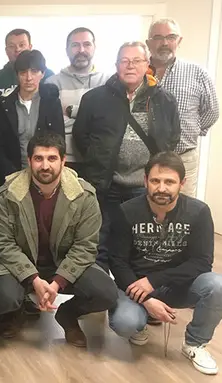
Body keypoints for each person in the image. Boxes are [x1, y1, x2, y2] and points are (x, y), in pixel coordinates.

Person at [0, 132, 118, 347]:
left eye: (52, 158)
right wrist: (34, 279)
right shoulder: (6, 194)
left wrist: (57, 282)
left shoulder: (85, 196)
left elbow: (85, 247)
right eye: (38, 159)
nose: (45, 166)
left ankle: (67, 315)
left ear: (63, 161)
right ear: (29, 161)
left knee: (106, 293)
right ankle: (15, 313)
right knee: (3, 297)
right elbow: (3, 244)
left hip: (63, 265)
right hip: (22, 266)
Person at [108, 152, 222, 375]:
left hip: (177, 286)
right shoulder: (126, 211)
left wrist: (154, 281)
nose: (161, 188)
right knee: (125, 322)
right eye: (155, 181)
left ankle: (194, 344)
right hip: (135, 285)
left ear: (182, 183)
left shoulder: (199, 212)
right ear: (145, 182)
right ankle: (140, 320)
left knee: (218, 285)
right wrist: (147, 298)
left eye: (169, 182)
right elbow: (118, 263)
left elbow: (202, 263)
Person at [73, 41, 180, 269]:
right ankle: (101, 295)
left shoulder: (164, 100)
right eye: (124, 60)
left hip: (145, 186)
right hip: (105, 184)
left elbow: (172, 137)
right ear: (116, 65)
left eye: (136, 60)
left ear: (147, 64)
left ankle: (134, 293)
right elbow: (81, 137)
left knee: (139, 243)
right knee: (99, 242)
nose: (130, 66)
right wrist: (97, 158)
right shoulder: (94, 99)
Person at [146, 18, 219, 197]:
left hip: (183, 157)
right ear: (149, 43)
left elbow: (212, 111)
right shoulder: (137, 72)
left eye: (171, 37)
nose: (164, 43)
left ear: (179, 41)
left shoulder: (197, 73)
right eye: (158, 37)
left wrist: (190, 131)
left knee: (184, 212)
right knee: (144, 212)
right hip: (144, 159)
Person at [0, 50, 64, 201]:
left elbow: (58, 141)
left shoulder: (51, 103)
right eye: (23, 72)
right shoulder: (3, 105)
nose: (29, 78)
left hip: (45, 177)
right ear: (17, 74)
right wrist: (15, 178)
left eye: (34, 71)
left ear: (42, 73)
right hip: (9, 179)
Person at [46, 27, 109, 174]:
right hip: (62, 161)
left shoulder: (108, 82)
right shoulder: (52, 83)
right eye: (75, 45)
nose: (81, 50)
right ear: (67, 49)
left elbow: (105, 121)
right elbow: (51, 125)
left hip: (98, 160)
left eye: (86, 44)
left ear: (94, 47)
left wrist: (71, 111)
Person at [0, 29, 54, 98]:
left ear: (30, 47)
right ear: (6, 51)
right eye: (12, 46)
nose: (17, 49)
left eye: (22, 45)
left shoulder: (48, 76)